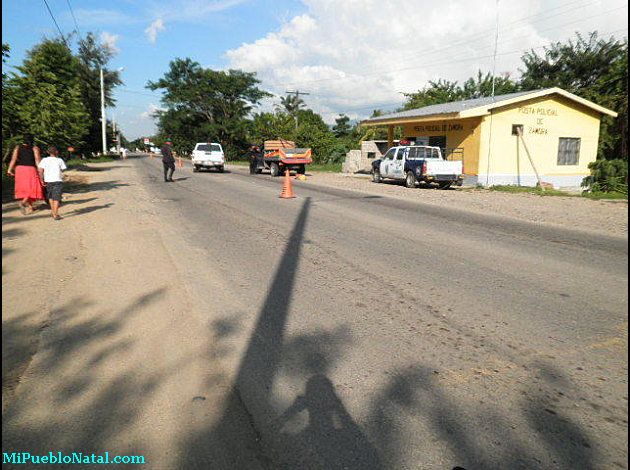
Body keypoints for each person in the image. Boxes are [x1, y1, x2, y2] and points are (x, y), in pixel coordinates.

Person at [6, 135, 45, 214]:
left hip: (20, 170)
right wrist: (41, 171)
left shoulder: (17, 147)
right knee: (33, 187)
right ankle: (23, 203)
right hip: (30, 169)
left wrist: (9, 170)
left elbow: (13, 159)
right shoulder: (35, 148)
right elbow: (37, 160)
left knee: (26, 188)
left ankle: (30, 208)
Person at [37, 146, 67, 220]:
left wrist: (41, 179)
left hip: (48, 181)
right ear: (56, 152)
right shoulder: (59, 160)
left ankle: (53, 212)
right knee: (56, 198)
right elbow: (63, 169)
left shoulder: (44, 160)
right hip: (57, 181)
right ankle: (55, 214)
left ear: (48, 152)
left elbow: (40, 171)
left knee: (50, 197)